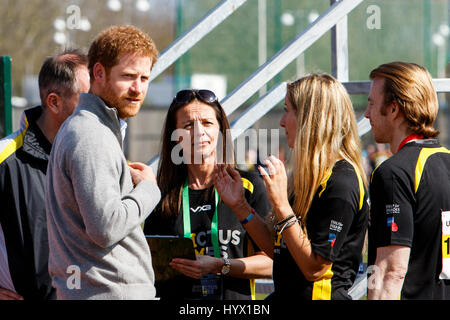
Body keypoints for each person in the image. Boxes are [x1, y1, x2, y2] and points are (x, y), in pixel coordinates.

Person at [215, 73, 369, 300]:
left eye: (288, 110)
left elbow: (314, 268)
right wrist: (240, 206)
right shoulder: (307, 176)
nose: (282, 121)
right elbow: (281, 252)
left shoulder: (341, 182)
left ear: (311, 117)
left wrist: (281, 205)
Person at [45, 25, 161, 300]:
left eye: (145, 78)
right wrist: (148, 189)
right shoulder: (91, 135)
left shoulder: (89, 129)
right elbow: (105, 227)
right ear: (98, 73)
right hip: (108, 292)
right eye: (129, 76)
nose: (138, 88)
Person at [144, 89, 272, 300]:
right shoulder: (160, 196)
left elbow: (272, 262)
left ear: (221, 131)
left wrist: (220, 266)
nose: (198, 132)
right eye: (187, 125)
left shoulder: (248, 186)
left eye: (207, 123)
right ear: (174, 136)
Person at [0, 50, 89, 300]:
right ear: (54, 102)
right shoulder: (5, 159)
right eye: (87, 98)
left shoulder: (97, 158)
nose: (96, 108)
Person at [364, 61, 450, 300]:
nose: (366, 113)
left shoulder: (393, 173)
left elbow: (391, 273)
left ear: (393, 109)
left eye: (371, 103)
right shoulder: (445, 160)